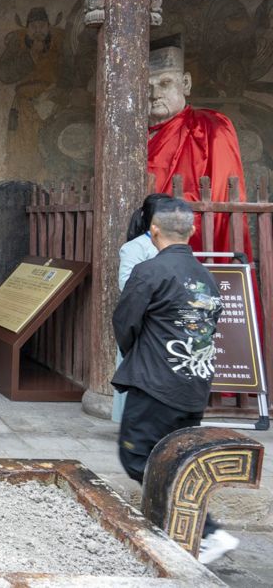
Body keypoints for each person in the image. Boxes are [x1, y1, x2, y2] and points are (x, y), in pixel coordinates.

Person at [111, 197, 237, 565]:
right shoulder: (206, 276)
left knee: (138, 457)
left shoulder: (150, 271)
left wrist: (140, 358)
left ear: (153, 231)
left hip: (156, 383)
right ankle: (178, 529)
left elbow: (126, 323)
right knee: (179, 459)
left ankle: (209, 532)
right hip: (194, 383)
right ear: (192, 230)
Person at [147, 35, 251, 258]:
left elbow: (224, 195)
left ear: (185, 83)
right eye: (148, 87)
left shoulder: (210, 127)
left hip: (193, 241)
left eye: (165, 83)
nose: (155, 95)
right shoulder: (134, 136)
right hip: (143, 243)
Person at [111, 193, 169, 423]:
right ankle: (132, 421)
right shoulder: (135, 247)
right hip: (143, 318)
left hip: (165, 319)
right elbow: (126, 284)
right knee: (138, 369)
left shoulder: (173, 246)